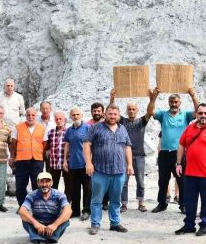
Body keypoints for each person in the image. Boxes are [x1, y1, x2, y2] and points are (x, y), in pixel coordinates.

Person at [174, 104, 206, 236]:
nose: (203, 115)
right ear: (196, 114)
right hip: (190, 172)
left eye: (205, 113)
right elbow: (181, 145)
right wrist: (179, 163)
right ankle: (189, 225)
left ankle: (204, 225)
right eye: (200, 113)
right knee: (189, 200)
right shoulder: (189, 129)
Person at [83, 104, 134, 235]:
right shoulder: (96, 128)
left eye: (115, 114)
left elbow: (127, 147)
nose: (112, 116)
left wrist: (130, 165)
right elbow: (86, 144)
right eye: (110, 114)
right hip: (100, 171)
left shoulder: (123, 129)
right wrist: (88, 163)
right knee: (96, 200)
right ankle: (95, 224)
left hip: (119, 171)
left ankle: (115, 223)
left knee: (116, 199)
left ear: (118, 115)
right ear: (105, 114)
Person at [150, 87, 199, 214]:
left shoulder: (185, 115)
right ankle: (162, 203)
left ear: (180, 103)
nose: (174, 104)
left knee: (181, 180)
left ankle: (183, 204)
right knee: (163, 180)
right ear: (169, 103)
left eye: (176, 102)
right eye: (171, 102)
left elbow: (198, 111)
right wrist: (153, 97)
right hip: (165, 153)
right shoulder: (163, 115)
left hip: (180, 153)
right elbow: (150, 111)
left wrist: (193, 96)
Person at [109, 89, 152, 212]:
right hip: (124, 156)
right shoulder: (122, 121)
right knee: (124, 181)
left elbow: (150, 112)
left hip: (139, 156)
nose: (131, 111)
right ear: (126, 111)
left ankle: (141, 203)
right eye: (129, 109)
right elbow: (112, 111)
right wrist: (112, 98)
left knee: (140, 181)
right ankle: (124, 204)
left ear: (137, 110)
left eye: (134, 109)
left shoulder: (142, 122)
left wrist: (151, 99)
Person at [19, 172, 72, 244]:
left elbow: (68, 210)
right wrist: (36, 224)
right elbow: (22, 211)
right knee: (25, 219)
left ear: (51, 183)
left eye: (47, 181)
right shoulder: (32, 195)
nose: (44, 184)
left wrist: (55, 224)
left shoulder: (59, 195)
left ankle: (41, 240)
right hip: (38, 226)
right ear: (38, 183)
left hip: (54, 227)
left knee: (66, 219)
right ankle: (42, 241)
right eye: (42, 182)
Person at [9, 107, 46, 206]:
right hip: (21, 161)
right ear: (25, 116)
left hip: (37, 160)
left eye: (33, 115)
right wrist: (13, 156)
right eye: (28, 115)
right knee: (20, 185)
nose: (30, 117)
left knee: (37, 185)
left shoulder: (42, 128)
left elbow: (45, 144)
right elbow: (13, 143)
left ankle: (36, 206)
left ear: (36, 116)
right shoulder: (18, 127)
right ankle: (23, 206)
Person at [63, 107, 92, 220]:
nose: (75, 116)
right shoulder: (69, 130)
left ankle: (86, 210)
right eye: (73, 115)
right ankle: (75, 211)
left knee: (87, 189)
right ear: (70, 116)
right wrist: (65, 160)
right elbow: (67, 145)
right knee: (74, 189)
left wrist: (90, 162)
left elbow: (92, 145)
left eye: (77, 114)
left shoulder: (88, 128)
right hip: (73, 165)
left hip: (85, 165)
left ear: (82, 115)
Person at [44, 111, 67, 191]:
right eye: (57, 119)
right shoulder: (51, 132)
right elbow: (47, 147)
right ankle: (53, 201)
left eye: (60, 119)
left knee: (68, 185)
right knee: (53, 185)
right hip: (54, 163)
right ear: (54, 120)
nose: (59, 120)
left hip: (66, 163)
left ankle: (66, 202)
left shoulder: (69, 132)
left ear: (64, 119)